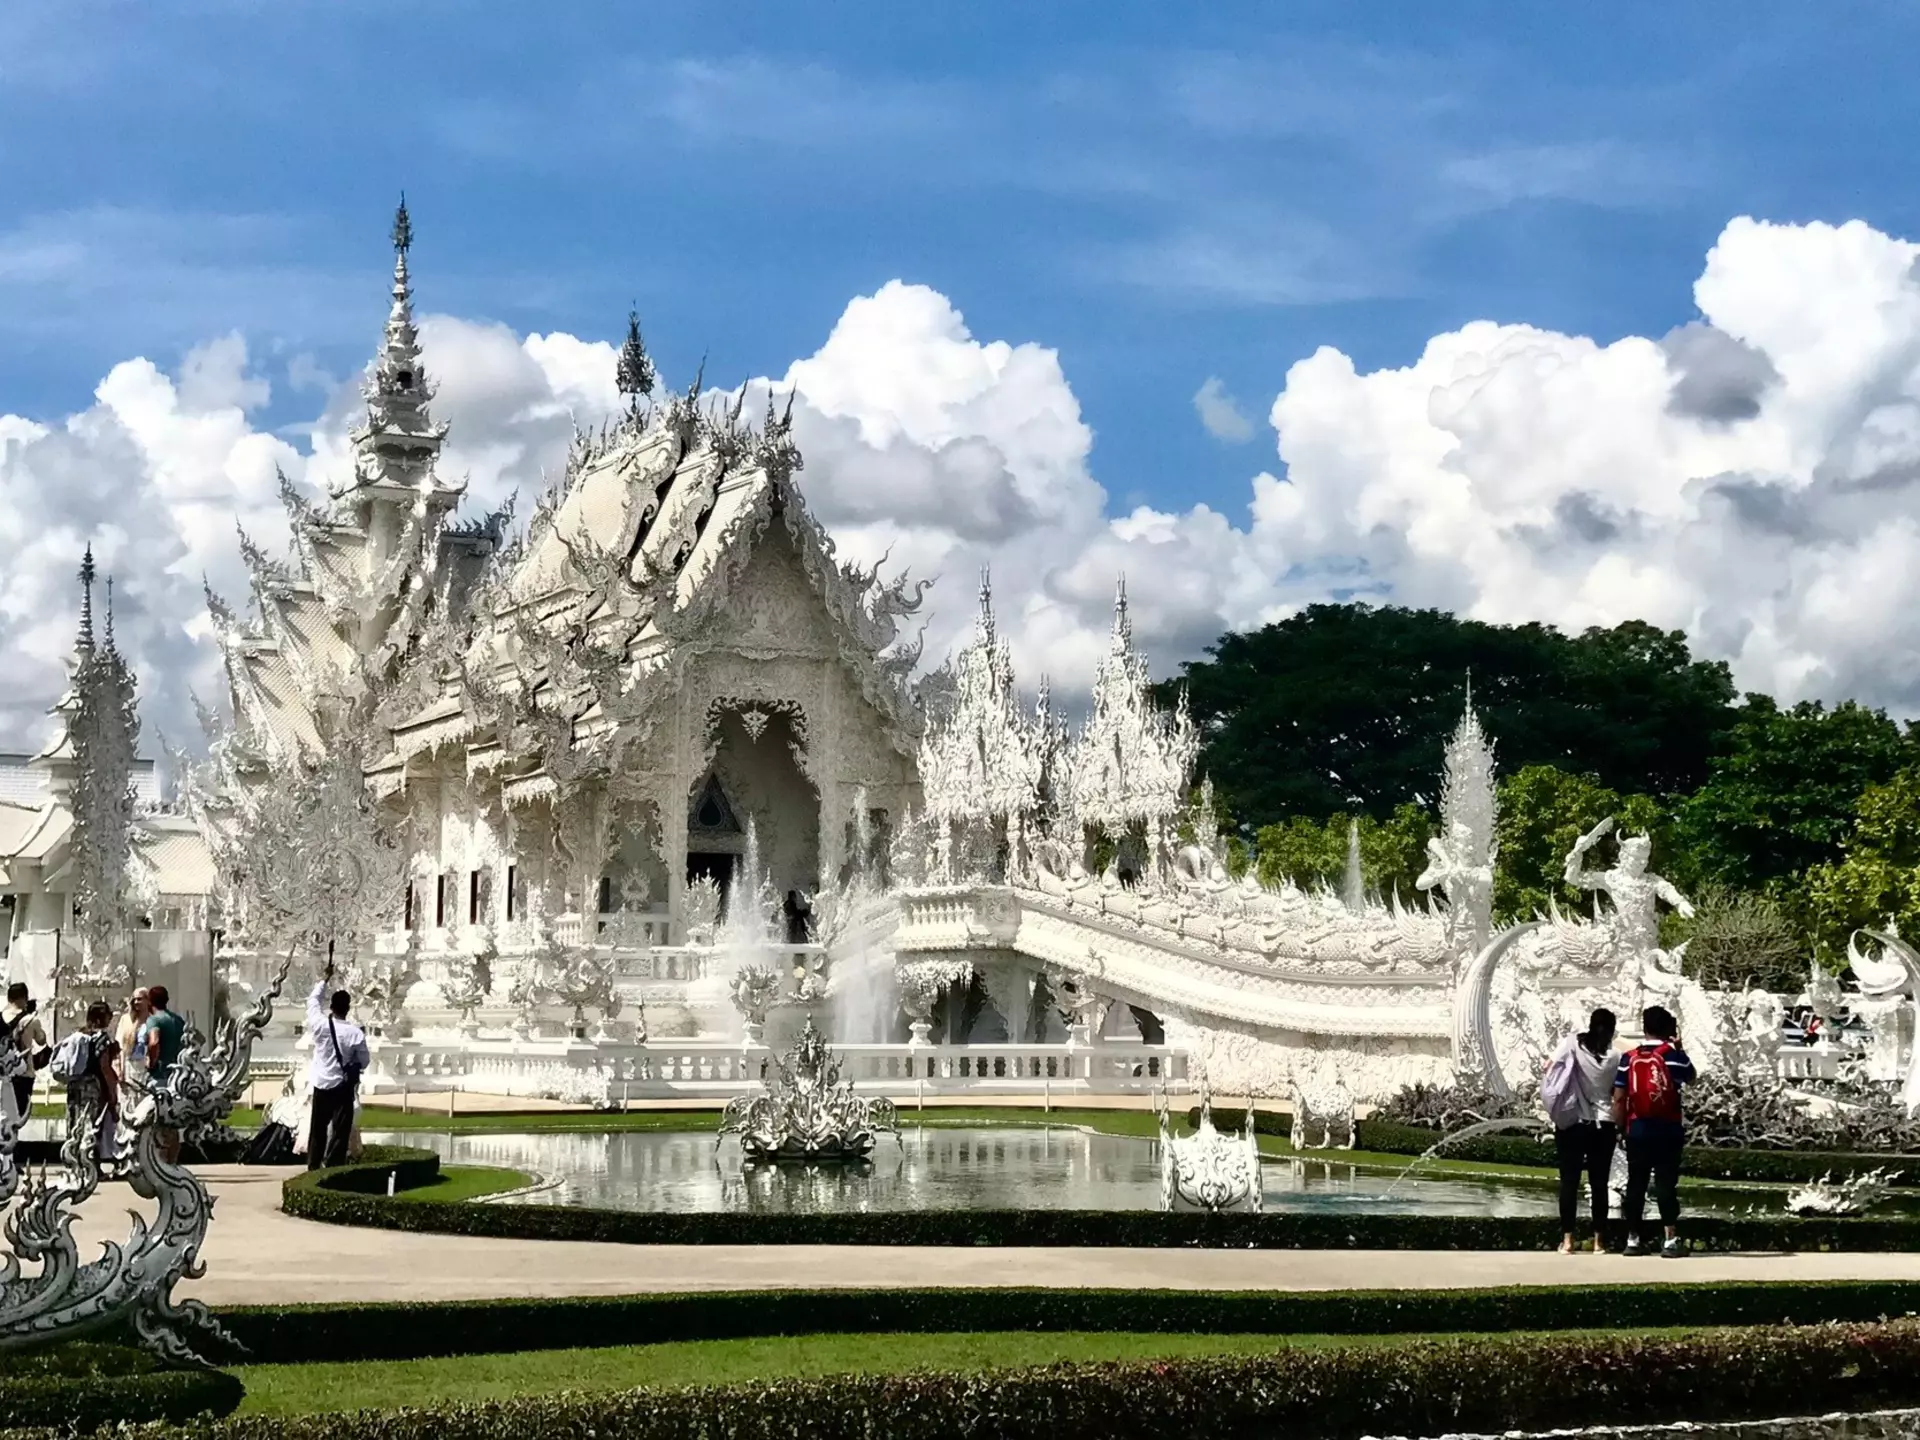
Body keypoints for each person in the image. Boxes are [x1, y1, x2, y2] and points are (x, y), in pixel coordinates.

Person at [1613, 1004, 1697, 1258]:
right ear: (1668, 1029)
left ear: (1645, 1028)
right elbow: (1692, 1077)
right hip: (1668, 1129)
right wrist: (1679, 1048)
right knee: (1665, 1183)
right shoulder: (1674, 1057)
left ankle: (1633, 1239)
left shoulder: (1630, 1058)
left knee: (1635, 1183)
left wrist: (1620, 1128)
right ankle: (1670, 1239)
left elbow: (1619, 1097)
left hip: (1638, 1128)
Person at [1543, 1007, 1619, 1254]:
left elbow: (1550, 1066)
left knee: (1569, 1182)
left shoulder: (1573, 1044)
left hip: (1574, 1121)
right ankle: (1599, 1241)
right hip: (1604, 1124)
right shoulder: (1615, 1057)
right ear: (1612, 1030)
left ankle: (1567, 1240)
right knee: (1599, 1184)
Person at [305, 962, 368, 1171]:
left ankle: (313, 1167)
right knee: (340, 1133)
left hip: (321, 1084)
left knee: (318, 1130)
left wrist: (324, 979)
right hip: (342, 1087)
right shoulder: (355, 1033)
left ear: (331, 1006)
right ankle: (332, 1168)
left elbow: (313, 1001)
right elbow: (364, 1061)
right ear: (348, 1009)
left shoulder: (319, 1025)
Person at [53, 1000, 120, 1161]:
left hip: (74, 1084)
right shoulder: (102, 1039)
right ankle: (91, 1165)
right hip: (92, 1086)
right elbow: (104, 1067)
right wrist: (112, 1091)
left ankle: (74, 1160)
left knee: (75, 1122)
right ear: (100, 1019)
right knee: (92, 1125)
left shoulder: (78, 1035)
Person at [138, 985, 186, 1164]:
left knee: (155, 1119)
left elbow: (154, 1041)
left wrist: (151, 1060)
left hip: (160, 1074)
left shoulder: (154, 1020)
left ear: (150, 1002)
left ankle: (157, 1160)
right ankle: (172, 1160)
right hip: (177, 1076)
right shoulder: (178, 1020)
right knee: (172, 1121)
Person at [1, 983, 49, 1120]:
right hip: (24, 1071)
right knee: (19, 1114)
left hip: (3, 1071)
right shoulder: (30, 1020)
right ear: (24, 998)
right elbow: (41, 1041)